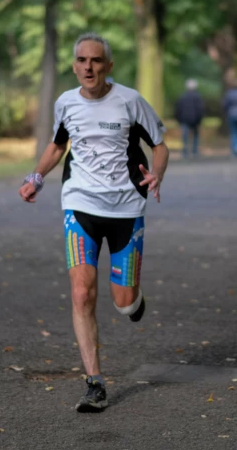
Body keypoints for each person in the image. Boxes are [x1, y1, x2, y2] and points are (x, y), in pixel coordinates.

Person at [18, 32, 169, 413]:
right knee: (82, 293)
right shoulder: (66, 103)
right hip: (80, 203)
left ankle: (133, 299)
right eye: (83, 61)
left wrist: (157, 175)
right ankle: (94, 383)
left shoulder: (131, 101)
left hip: (126, 209)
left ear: (109, 66)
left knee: (122, 302)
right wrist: (36, 177)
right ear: (74, 65)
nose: (89, 67)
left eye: (97, 61)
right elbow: (57, 145)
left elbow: (160, 145)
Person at [174, 79, 204, 158]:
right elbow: (200, 109)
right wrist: (199, 121)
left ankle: (185, 152)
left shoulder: (183, 96)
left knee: (185, 136)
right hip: (195, 119)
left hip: (184, 119)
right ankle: (194, 151)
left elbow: (178, 109)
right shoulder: (198, 96)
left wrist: (179, 120)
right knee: (195, 136)